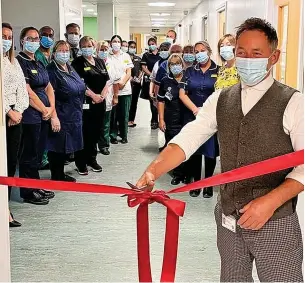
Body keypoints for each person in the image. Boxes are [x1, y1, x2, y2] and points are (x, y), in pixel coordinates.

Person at [137, 18, 304, 282]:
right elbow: (189, 138)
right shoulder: (221, 99)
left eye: (256, 53)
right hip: (229, 218)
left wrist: (271, 201)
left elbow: (304, 164)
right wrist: (153, 170)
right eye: (241, 52)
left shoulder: (293, 103)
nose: (247, 59)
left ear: (274, 57)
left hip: (275, 221)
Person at [16, 27, 55, 205]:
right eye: (30, 38)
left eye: (36, 39)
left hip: (44, 114)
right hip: (31, 114)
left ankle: (36, 185)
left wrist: (51, 108)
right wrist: (43, 109)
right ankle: (27, 191)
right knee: (29, 154)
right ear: (22, 41)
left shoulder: (38, 61)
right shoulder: (20, 62)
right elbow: (27, 91)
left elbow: (48, 86)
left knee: (38, 153)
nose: (34, 41)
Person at [179, 40, 219, 198]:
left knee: (210, 152)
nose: (199, 53)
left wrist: (207, 110)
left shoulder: (219, 71)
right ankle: (196, 183)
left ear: (209, 51)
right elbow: (182, 94)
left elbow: (222, 94)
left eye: (202, 50)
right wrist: (195, 109)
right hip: (193, 115)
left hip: (211, 117)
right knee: (195, 150)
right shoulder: (189, 71)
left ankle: (207, 183)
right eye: (197, 51)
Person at [47, 40, 86, 181]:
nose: (64, 53)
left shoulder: (69, 67)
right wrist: (54, 116)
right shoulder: (51, 71)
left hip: (73, 113)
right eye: (60, 51)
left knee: (66, 146)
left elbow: (80, 85)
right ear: (54, 53)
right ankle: (56, 176)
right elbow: (49, 95)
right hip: (60, 114)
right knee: (57, 146)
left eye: (66, 51)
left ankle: (60, 173)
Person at [2, 23, 29, 227]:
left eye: (9, 37)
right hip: (3, 114)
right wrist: (7, 111)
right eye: (3, 36)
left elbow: (22, 87)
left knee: (11, 163)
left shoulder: (12, 61)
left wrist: (18, 110)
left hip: (16, 116)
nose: (6, 40)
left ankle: (5, 208)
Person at [72, 36, 109, 175]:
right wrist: (93, 96)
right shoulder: (77, 63)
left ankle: (92, 159)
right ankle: (81, 162)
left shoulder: (100, 61)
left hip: (100, 102)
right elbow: (80, 84)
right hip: (86, 103)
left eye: (90, 45)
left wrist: (102, 96)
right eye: (85, 46)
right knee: (84, 132)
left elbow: (107, 81)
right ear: (81, 48)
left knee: (95, 132)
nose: (88, 48)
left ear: (94, 47)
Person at [157, 54, 185, 185]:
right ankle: (177, 173)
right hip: (171, 119)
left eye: (177, 63)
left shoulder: (187, 78)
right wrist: (161, 119)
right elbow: (161, 101)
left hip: (186, 118)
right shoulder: (165, 81)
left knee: (186, 146)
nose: (175, 66)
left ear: (182, 64)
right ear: (169, 66)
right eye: (172, 64)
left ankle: (187, 173)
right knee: (173, 147)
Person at [35, 25, 55, 170]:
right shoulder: (36, 55)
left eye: (50, 35)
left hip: (52, 96)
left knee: (49, 131)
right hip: (40, 98)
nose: (47, 38)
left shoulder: (53, 54)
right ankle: (41, 159)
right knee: (41, 133)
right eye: (44, 35)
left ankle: (48, 157)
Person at [108, 35, 134, 144]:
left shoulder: (126, 55)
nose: (117, 43)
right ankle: (113, 136)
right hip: (111, 90)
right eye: (114, 41)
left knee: (124, 115)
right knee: (113, 115)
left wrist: (122, 82)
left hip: (125, 90)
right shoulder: (107, 56)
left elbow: (129, 72)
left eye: (118, 41)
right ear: (111, 43)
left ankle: (124, 135)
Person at [97, 40, 119, 155]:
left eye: (106, 49)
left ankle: (104, 145)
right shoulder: (93, 62)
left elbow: (115, 82)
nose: (104, 51)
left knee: (106, 123)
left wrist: (116, 97)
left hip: (108, 96)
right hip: (95, 97)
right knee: (95, 122)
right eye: (101, 49)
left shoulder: (111, 63)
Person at [149, 42, 171, 129]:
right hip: (159, 93)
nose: (163, 52)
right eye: (161, 50)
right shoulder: (157, 64)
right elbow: (153, 79)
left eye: (165, 50)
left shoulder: (171, 63)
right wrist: (151, 91)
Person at [140, 37, 160, 129]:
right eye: (150, 44)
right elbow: (143, 67)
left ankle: (162, 119)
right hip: (150, 80)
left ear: (156, 43)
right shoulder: (146, 55)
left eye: (153, 43)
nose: (151, 45)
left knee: (160, 100)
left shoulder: (161, 54)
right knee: (152, 101)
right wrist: (152, 75)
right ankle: (154, 120)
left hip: (160, 81)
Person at [128, 40, 143, 128]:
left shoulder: (138, 58)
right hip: (127, 84)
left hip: (136, 84)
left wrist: (139, 77)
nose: (132, 49)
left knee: (134, 102)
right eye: (131, 47)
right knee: (127, 102)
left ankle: (131, 120)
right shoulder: (124, 57)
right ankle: (124, 120)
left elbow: (141, 69)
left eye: (134, 47)